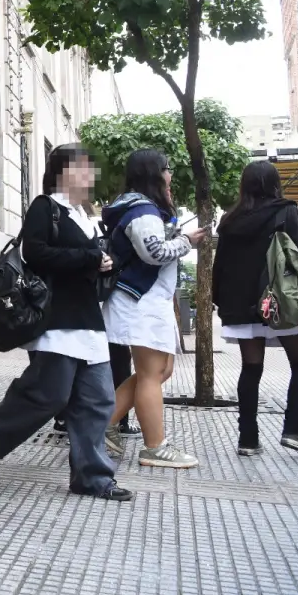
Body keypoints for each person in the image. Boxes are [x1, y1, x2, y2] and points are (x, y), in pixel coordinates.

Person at [0, 145, 134, 502]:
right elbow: (34, 252)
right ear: (64, 172)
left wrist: (104, 262)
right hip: (56, 319)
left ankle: (92, 478)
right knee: (49, 395)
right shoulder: (46, 207)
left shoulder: (84, 215)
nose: (90, 176)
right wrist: (89, 257)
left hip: (89, 320)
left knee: (97, 401)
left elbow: (86, 261)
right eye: (83, 169)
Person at [102, 149, 208, 468]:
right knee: (151, 374)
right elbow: (154, 253)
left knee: (161, 371)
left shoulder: (140, 207)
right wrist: (186, 241)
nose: (170, 175)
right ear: (154, 173)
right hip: (140, 301)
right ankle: (154, 447)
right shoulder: (143, 210)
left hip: (145, 301)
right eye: (167, 169)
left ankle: (103, 425)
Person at [213, 160, 298, 456]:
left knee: (251, 368)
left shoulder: (230, 220)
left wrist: (221, 301)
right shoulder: (287, 211)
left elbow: (221, 266)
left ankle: (248, 439)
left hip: (242, 305)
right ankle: (294, 429)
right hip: (282, 302)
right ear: (274, 183)